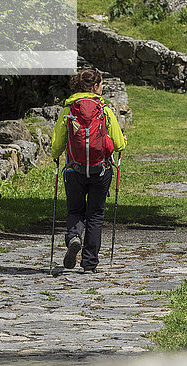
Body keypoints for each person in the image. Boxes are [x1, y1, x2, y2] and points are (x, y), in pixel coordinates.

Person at [51, 68, 127, 273]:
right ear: (95, 87)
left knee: (75, 210)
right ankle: (89, 263)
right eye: (101, 85)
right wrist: (120, 145)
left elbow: (57, 143)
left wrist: (55, 155)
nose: (102, 89)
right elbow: (119, 144)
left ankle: (74, 237)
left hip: (74, 169)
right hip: (100, 170)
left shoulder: (68, 110)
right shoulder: (104, 110)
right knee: (95, 215)